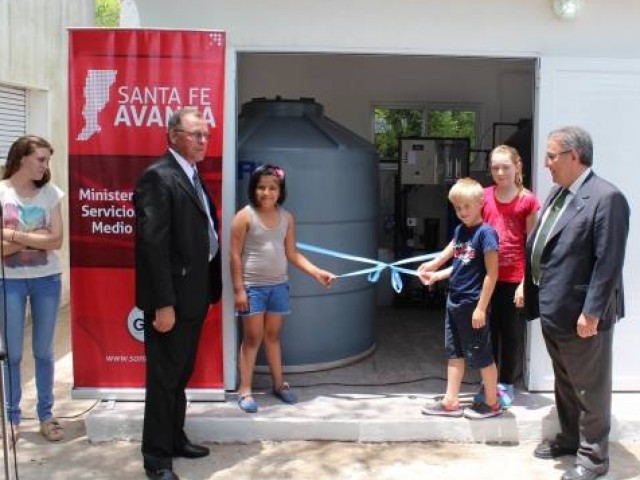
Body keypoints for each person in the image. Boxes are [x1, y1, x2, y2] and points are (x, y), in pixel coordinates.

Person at [524, 126, 629, 480]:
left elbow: (608, 262)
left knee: (589, 387)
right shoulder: (559, 192)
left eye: (551, 156)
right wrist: (528, 283)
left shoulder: (607, 198)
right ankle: (570, 439)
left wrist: (592, 312)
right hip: (555, 308)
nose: (546, 163)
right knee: (565, 381)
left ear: (574, 156)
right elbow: (545, 244)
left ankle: (594, 459)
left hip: (583, 314)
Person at [134, 107, 222, 480]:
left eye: (206, 135)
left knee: (180, 374)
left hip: (195, 294)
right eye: (195, 134)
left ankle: (174, 439)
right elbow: (153, 247)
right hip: (172, 300)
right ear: (173, 136)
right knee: (163, 380)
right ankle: (156, 459)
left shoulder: (190, 174)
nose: (203, 141)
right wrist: (163, 304)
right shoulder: (158, 176)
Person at [230, 164, 334, 413]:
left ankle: (279, 384)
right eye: (261, 187)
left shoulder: (287, 218)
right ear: (253, 189)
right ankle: (245, 390)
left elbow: (292, 253)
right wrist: (239, 290)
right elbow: (234, 255)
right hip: (253, 288)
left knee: (273, 336)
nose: (266, 193)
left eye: (272, 188)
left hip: (278, 286)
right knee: (252, 338)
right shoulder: (244, 216)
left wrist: (317, 272)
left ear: (280, 191)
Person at [418, 177, 502, 419]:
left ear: (480, 203)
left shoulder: (486, 234)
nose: (462, 212)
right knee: (454, 353)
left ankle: (492, 402)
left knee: (483, 356)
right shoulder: (460, 231)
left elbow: (492, 274)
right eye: (457, 208)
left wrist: (481, 308)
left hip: (472, 305)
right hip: (453, 302)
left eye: (466, 206)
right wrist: (434, 272)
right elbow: (457, 262)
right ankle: (450, 401)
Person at [0, 135, 64, 445]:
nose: (45, 165)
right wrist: (36, 236)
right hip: (8, 281)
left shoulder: (51, 193)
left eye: (47, 159)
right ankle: (11, 417)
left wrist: (12, 235)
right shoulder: (2, 192)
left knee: (43, 352)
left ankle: (46, 415)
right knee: (11, 353)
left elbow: (56, 241)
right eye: (40, 159)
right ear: (22, 158)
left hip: (46, 280)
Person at [480, 145, 539, 406]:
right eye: (495, 168)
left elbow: (533, 245)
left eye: (505, 167)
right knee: (487, 332)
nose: (500, 172)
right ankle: (488, 381)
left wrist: (525, 283)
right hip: (486, 277)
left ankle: (506, 383)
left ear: (518, 167)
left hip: (515, 279)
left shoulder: (528, 200)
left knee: (511, 333)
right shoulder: (483, 197)